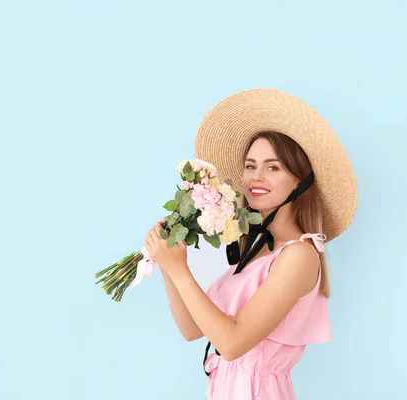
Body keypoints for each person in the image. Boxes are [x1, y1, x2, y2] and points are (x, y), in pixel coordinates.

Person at [144, 88, 358, 399]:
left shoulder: (299, 256)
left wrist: (179, 270)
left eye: (273, 167)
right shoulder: (250, 250)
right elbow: (193, 329)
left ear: (300, 181)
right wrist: (168, 262)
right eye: (250, 165)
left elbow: (231, 345)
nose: (256, 177)